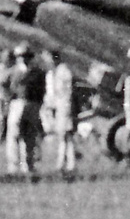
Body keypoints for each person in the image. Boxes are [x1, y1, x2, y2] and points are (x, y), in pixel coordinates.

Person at [5, 46, 46, 175]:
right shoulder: (14, 71)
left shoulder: (37, 72)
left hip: (32, 104)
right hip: (17, 103)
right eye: (22, 56)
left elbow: (42, 90)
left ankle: (27, 164)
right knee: (14, 134)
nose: (24, 59)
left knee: (29, 135)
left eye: (26, 56)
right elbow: (5, 85)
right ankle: (13, 165)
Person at [44, 53, 77, 174]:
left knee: (64, 134)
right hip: (61, 104)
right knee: (64, 135)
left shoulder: (62, 71)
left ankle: (63, 163)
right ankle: (68, 163)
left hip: (63, 104)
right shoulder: (57, 71)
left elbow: (65, 90)